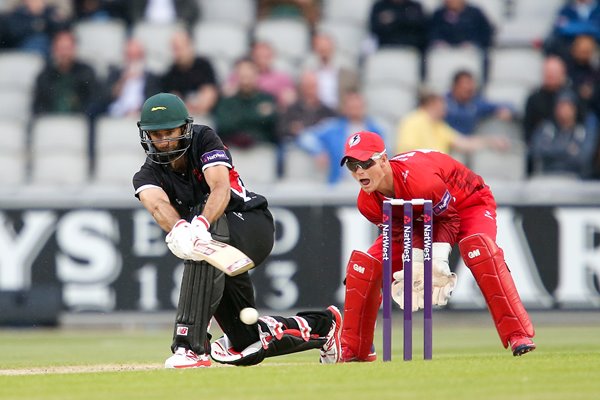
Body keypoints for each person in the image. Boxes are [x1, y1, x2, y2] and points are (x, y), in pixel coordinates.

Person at [132, 92, 342, 368]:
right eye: (156, 135)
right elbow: (157, 205)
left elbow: (220, 187)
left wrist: (199, 225)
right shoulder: (145, 174)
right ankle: (326, 327)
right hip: (215, 249)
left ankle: (190, 346)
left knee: (200, 237)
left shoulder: (203, 139)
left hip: (250, 224)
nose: (163, 141)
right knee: (246, 341)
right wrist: (180, 228)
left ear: (184, 127)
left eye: (169, 132)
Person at [337, 130, 536, 362]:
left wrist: (437, 260)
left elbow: (449, 219)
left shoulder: (420, 180)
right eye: (352, 165)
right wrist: (417, 262)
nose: (359, 171)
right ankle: (355, 348)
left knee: (480, 251)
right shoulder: (367, 203)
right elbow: (403, 234)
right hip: (419, 219)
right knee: (363, 269)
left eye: (365, 162)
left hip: (467, 204)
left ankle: (518, 334)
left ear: (383, 160)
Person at [296, 91, 383, 184]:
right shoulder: (333, 128)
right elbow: (306, 136)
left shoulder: (376, 131)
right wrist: (318, 151)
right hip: (339, 184)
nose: (355, 109)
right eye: (351, 107)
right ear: (345, 108)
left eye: (357, 106)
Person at [396, 92, 509, 155]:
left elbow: (464, 143)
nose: (446, 110)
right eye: (442, 105)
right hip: (417, 175)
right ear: (432, 104)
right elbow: (406, 152)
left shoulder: (439, 126)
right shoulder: (412, 120)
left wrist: (490, 141)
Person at [529, 90, 599, 179]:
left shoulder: (583, 131)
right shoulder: (546, 129)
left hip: (577, 179)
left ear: (575, 108)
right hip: (548, 177)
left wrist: (553, 151)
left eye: (567, 106)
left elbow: (583, 159)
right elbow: (537, 152)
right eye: (560, 106)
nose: (563, 110)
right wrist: (568, 150)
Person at [214, 58, 278, 148]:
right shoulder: (227, 101)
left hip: (262, 146)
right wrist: (257, 115)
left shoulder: (267, 98)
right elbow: (224, 124)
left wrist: (238, 115)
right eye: (242, 77)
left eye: (249, 76)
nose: (246, 82)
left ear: (257, 75)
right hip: (233, 148)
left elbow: (272, 123)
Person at [161, 30, 219, 117]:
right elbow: (173, 101)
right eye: (174, 49)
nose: (176, 53)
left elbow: (209, 94)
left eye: (179, 48)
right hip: (182, 119)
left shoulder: (204, 65)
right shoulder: (171, 72)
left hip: (205, 117)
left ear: (189, 45)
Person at [445, 70, 515, 136]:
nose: (469, 88)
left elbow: (506, 105)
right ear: (455, 86)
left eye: (471, 85)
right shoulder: (443, 103)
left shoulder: (476, 104)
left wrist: (506, 110)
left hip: (468, 143)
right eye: (465, 84)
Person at [105, 37, 161, 117]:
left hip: (143, 113)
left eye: (137, 55)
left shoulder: (151, 77)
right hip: (118, 112)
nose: (133, 59)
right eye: (130, 55)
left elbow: (153, 99)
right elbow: (109, 96)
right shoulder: (116, 74)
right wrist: (124, 79)